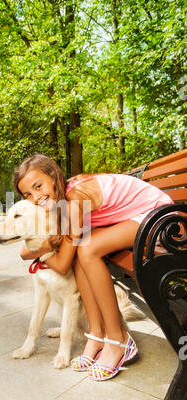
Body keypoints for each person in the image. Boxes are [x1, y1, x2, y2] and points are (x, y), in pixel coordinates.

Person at [13, 153, 173, 380]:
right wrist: (41, 248)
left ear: (53, 175)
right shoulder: (63, 204)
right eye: (28, 194)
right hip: (133, 220)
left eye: (38, 186)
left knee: (87, 249)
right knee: (81, 248)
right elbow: (60, 249)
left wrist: (38, 251)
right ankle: (97, 335)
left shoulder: (75, 198)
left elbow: (60, 264)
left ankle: (119, 340)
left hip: (159, 218)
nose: (36, 197)